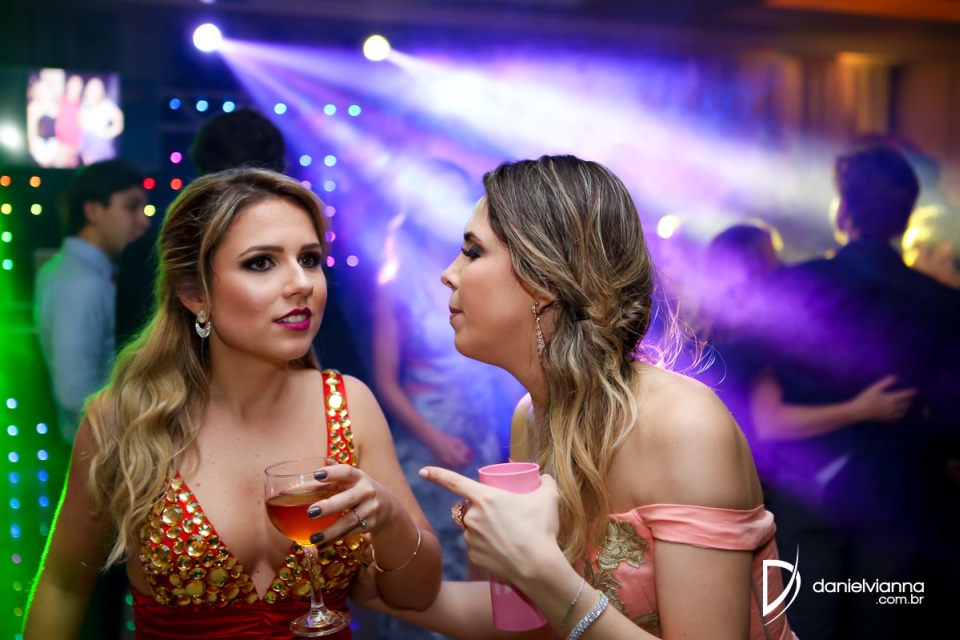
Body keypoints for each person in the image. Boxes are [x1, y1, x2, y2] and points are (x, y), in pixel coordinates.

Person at [355, 155, 796, 640]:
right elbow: (531, 620)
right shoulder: (532, 417)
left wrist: (535, 567)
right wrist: (377, 588)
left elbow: (552, 591)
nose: (449, 273)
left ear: (543, 281)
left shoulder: (684, 425)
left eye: (473, 252)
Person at [23, 168, 442, 639]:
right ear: (194, 292)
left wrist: (387, 515)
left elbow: (416, 595)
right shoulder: (123, 419)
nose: (301, 283)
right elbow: (63, 586)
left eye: (309, 259)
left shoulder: (349, 404)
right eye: (261, 263)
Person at [738, 142, 960, 639]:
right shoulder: (940, 303)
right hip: (896, 497)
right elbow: (952, 418)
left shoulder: (794, 285)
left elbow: (744, 389)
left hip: (807, 492)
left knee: (806, 631)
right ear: (906, 217)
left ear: (843, 211)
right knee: (882, 629)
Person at [372, 158, 512, 640]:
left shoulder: (488, 274)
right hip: (426, 439)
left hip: (481, 433)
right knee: (425, 558)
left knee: (485, 554)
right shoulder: (397, 282)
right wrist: (432, 438)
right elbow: (385, 381)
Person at [35, 158, 149, 445]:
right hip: (102, 452)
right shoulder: (82, 282)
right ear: (93, 210)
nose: (144, 221)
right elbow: (76, 394)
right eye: (131, 207)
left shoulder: (65, 269)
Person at [79, 76, 124, 165]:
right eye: (91, 88)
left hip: (101, 147)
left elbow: (119, 122)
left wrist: (108, 133)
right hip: (86, 146)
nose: (93, 92)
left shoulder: (106, 105)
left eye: (96, 89)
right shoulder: (83, 104)